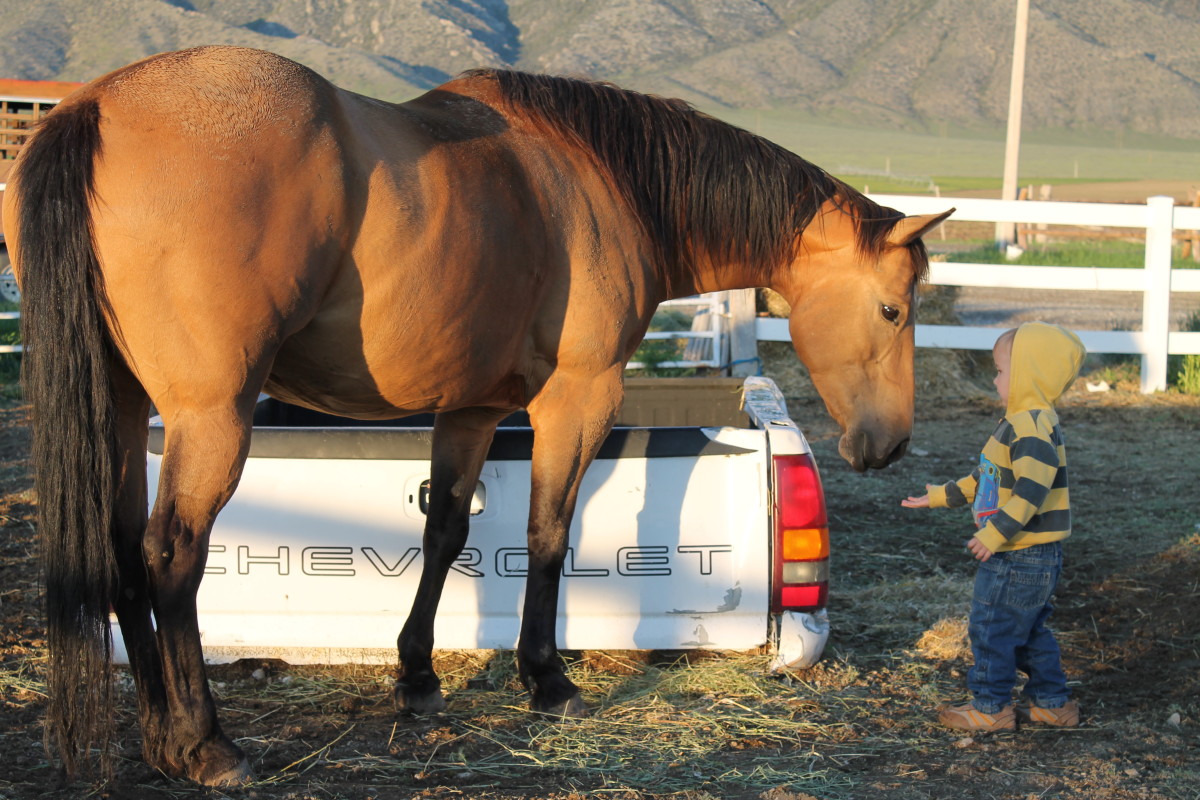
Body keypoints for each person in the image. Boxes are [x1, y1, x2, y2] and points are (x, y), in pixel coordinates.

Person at [901, 322, 1086, 732]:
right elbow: (988, 479)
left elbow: (1030, 492)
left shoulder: (1030, 428)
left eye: (1002, 371)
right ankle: (1051, 702)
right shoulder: (1020, 421)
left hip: (1020, 552)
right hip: (1029, 552)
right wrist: (940, 495)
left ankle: (990, 707)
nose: (995, 379)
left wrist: (994, 534)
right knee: (1028, 631)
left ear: (1027, 375)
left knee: (991, 628)